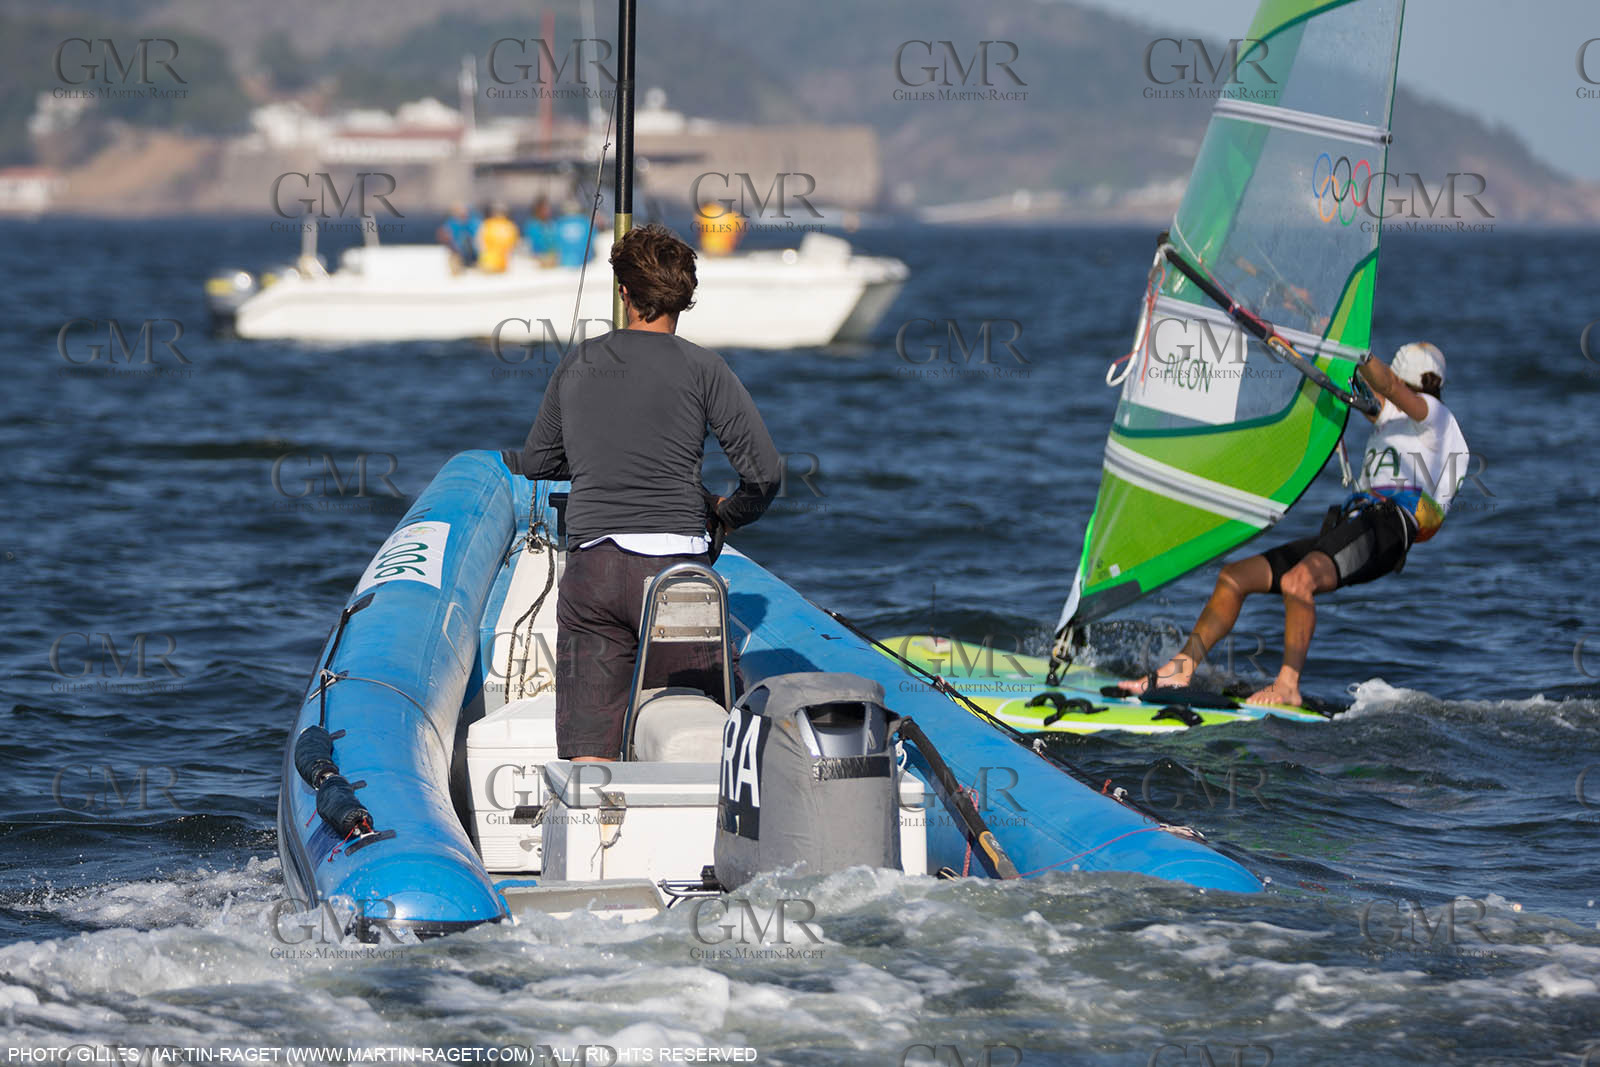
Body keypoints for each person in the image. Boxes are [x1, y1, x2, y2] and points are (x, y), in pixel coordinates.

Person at [501, 223, 782, 761]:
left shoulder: (580, 362)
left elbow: (537, 461)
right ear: (685, 298)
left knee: (589, 754)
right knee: (695, 738)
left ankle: (593, 832)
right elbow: (764, 475)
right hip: (678, 576)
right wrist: (725, 517)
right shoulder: (705, 368)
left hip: (596, 572)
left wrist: (591, 462)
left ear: (623, 292)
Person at [1120, 342, 1470, 707]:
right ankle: (1180, 668)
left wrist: (1355, 352)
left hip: (1387, 531)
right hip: (1356, 525)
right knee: (1234, 577)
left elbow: (1391, 388)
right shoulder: (1395, 417)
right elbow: (1361, 392)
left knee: (1296, 582)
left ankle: (1287, 685)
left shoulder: (1434, 415)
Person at [476, 202, 519, 274]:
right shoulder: (487, 225)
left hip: (504, 262)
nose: (499, 214)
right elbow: (480, 243)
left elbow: (513, 244)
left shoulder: (509, 226)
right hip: (489, 261)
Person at [552, 200, 592, 268]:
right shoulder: (586, 222)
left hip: (562, 264)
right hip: (586, 264)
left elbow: (553, 242)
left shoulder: (558, 223)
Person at [524, 196, 556, 265]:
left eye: (548, 209)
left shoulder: (552, 224)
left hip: (550, 259)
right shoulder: (532, 225)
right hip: (536, 260)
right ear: (538, 209)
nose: (547, 211)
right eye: (544, 209)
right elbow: (530, 245)